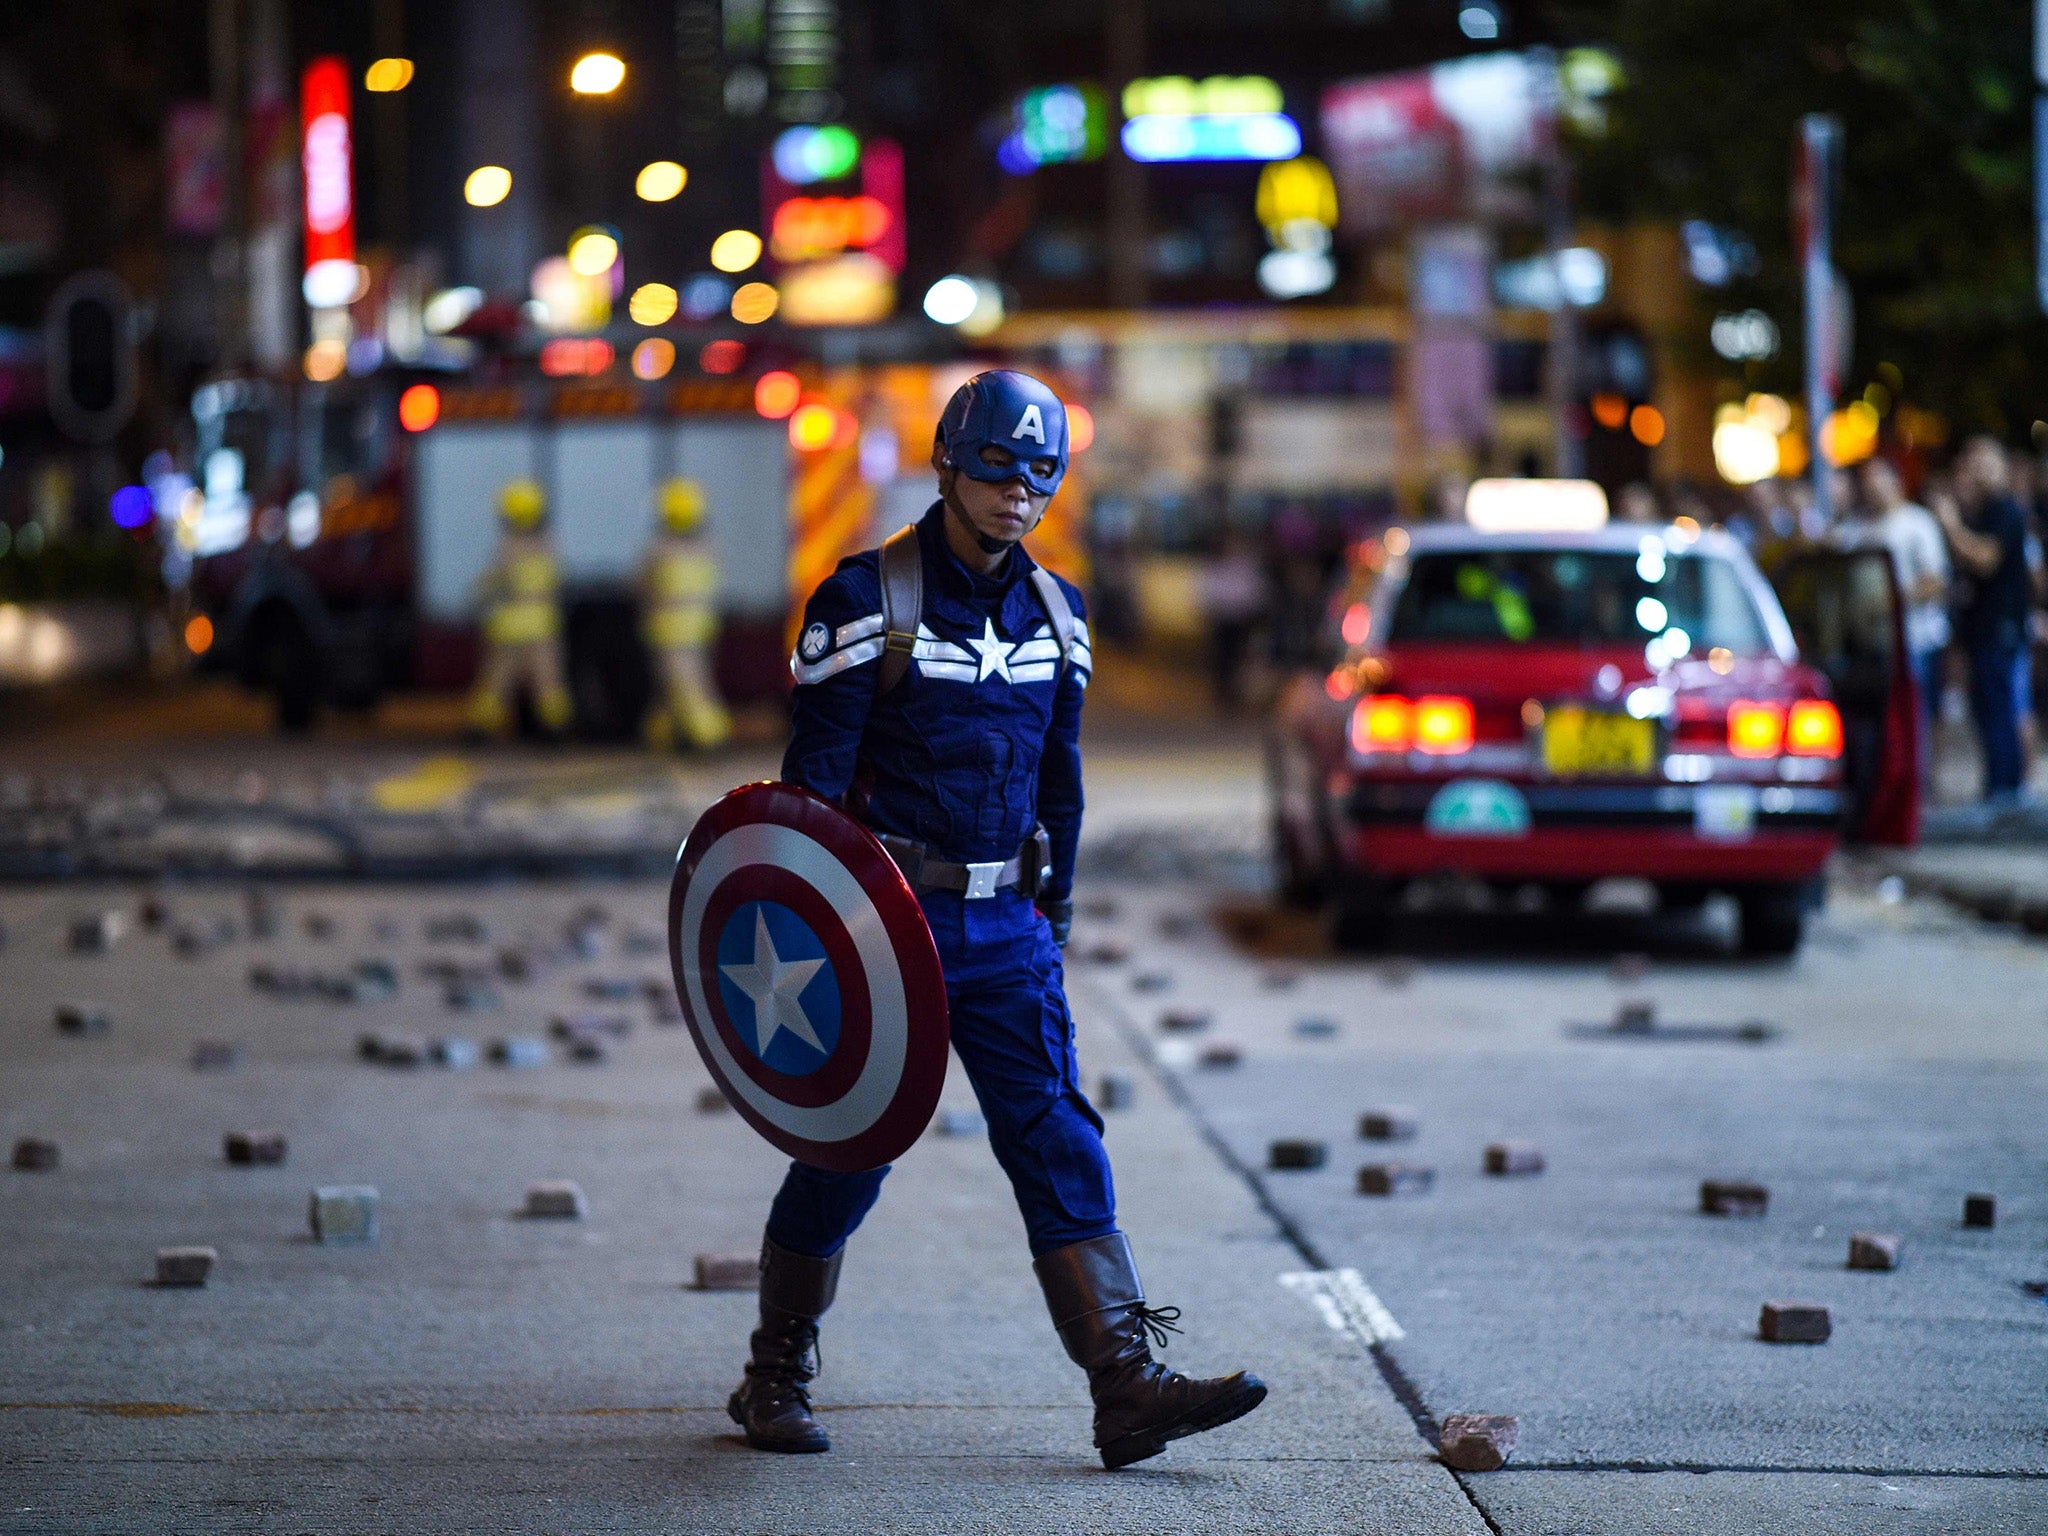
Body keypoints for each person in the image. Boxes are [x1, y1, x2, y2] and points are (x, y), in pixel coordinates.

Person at [730, 370, 1266, 1469]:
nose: (1017, 488)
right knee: (850, 1146)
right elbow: (808, 799)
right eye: (994, 464)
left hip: (1006, 925)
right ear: (947, 462)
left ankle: (1123, 1385)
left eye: (1040, 469)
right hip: (887, 932)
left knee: (1056, 1135)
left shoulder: (1060, 613)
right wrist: (814, 949)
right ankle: (772, 1371)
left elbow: (1057, 782)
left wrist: (1054, 902)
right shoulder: (863, 600)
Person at [1934, 438, 2035, 800]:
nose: (1977, 471)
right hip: (1981, 629)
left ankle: (2008, 791)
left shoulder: (2006, 511)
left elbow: (1986, 559)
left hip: (2002, 629)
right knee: (1986, 710)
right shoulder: (1979, 512)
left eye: (1985, 463)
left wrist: (1950, 525)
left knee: (2002, 709)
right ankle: (1999, 787)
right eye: (1972, 463)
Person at [1839, 458, 1950, 738]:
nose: (1872, 489)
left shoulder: (1917, 523)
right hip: (1873, 646)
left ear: (1896, 483)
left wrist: (1891, 602)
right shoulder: (1859, 527)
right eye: (1867, 483)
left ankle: (1918, 781)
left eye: (1878, 481)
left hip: (1914, 642)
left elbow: (1935, 581)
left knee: (1914, 722)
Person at [466, 478, 572, 738]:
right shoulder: (549, 546)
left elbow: (488, 584)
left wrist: (474, 600)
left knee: (496, 683)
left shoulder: (506, 549)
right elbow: (559, 581)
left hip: (508, 627)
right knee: (549, 683)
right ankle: (556, 729)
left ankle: (480, 728)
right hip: (542, 625)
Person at [639, 476, 732, 750]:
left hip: (669, 631)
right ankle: (661, 736)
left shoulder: (659, 550)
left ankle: (710, 737)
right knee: (673, 686)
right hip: (700, 629)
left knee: (687, 687)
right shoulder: (707, 547)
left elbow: (641, 587)